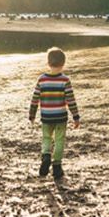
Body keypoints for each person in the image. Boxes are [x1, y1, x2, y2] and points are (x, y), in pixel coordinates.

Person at [29, 47, 80, 179]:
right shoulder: (65, 80)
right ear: (63, 64)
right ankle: (57, 166)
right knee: (59, 140)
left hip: (46, 116)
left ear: (48, 63)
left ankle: (46, 155)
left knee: (46, 138)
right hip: (60, 116)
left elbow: (35, 99)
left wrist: (32, 114)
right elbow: (70, 100)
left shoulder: (41, 79)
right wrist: (76, 116)